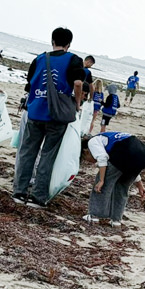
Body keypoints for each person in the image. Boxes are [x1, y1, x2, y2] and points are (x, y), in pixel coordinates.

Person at [12, 28, 84, 208]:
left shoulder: (39, 59)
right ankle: (38, 197)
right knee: (48, 155)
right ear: (68, 44)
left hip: (35, 112)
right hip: (57, 116)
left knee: (27, 152)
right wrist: (77, 103)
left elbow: (29, 85)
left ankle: (19, 193)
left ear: (52, 41)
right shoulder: (74, 60)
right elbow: (77, 83)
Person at [82, 131, 145, 227]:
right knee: (122, 187)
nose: (90, 162)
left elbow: (102, 158)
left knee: (103, 183)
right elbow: (131, 164)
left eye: (86, 159)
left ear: (86, 151)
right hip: (143, 154)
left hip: (125, 152)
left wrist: (102, 180)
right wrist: (140, 186)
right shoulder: (109, 138)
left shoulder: (92, 142)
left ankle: (94, 216)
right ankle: (116, 220)